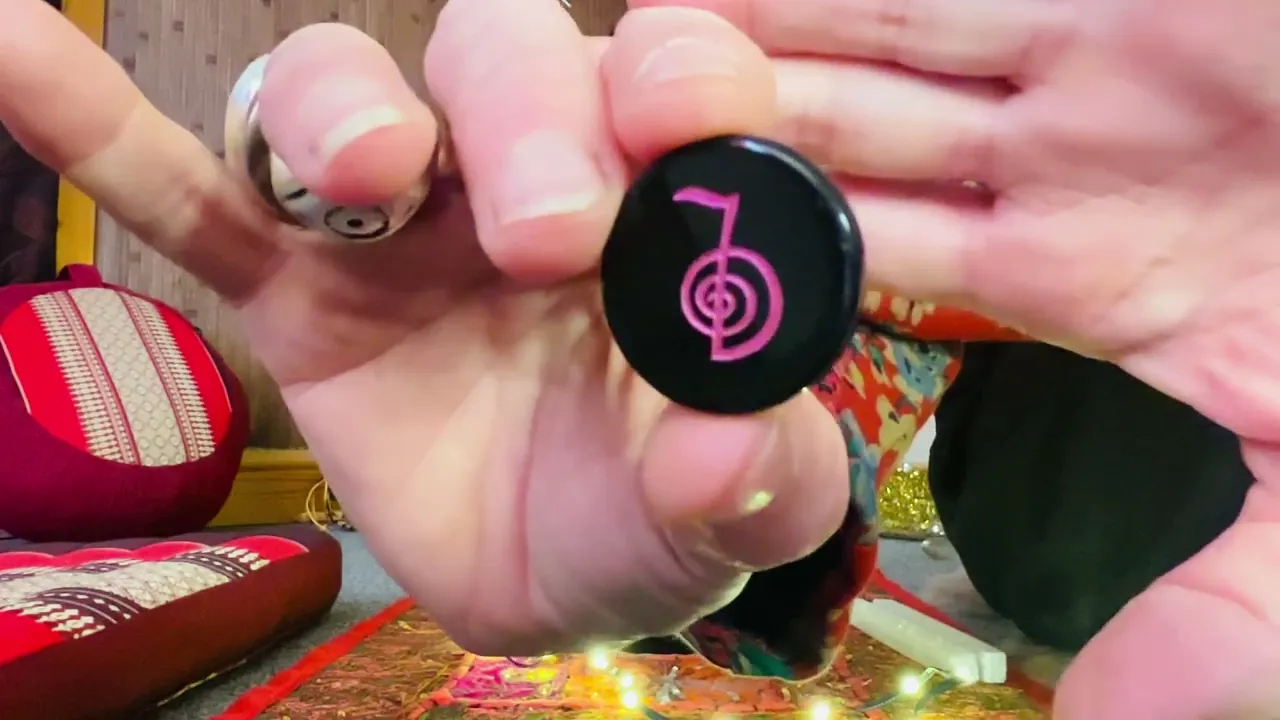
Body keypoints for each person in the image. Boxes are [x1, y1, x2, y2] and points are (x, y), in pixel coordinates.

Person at [5, 0, 1278, 716]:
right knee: (1057, 547)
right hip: (1029, 514)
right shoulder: (1021, 381)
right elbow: (800, 440)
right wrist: (698, 512)